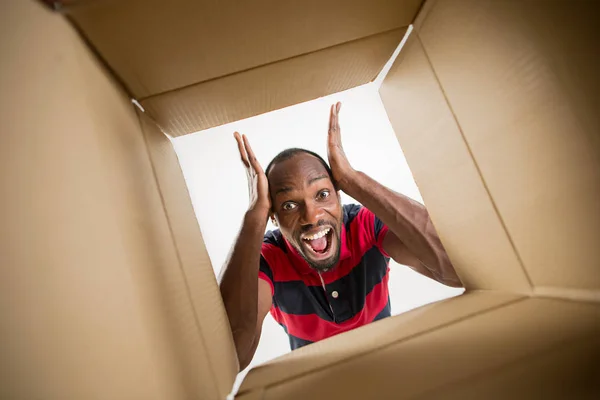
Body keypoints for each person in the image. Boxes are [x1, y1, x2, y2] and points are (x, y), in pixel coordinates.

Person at [219, 102, 462, 371]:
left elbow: (455, 269)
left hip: (391, 368)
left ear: (338, 195)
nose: (312, 217)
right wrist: (254, 215)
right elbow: (233, 356)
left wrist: (352, 178)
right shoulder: (268, 258)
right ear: (273, 217)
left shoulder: (365, 224)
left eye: (322, 194)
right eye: (289, 205)